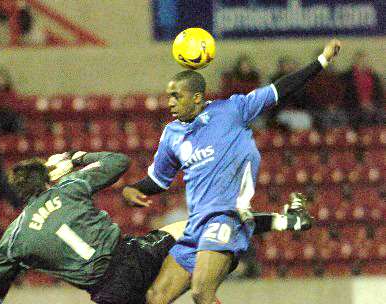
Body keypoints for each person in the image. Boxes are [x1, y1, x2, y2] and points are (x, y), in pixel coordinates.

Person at [123, 39, 341, 304]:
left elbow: (279, 89)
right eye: (169, 95)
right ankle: (285, 220)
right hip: (196, 226)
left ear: (197, 98)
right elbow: (158, 180)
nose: (169, 102)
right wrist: (133, 188)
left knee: (202, 292)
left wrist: (321, 61)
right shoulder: (172, 135)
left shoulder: (232, 110)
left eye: (176, 96)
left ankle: (282, 220)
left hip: (225, 218)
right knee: (155, 297)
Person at [0, 151, 311, 304]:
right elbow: (118, 161)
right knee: (203, 224)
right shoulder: (66, 188)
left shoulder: (12, 242)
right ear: (47, 179)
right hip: (134, 257)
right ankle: (285, 220)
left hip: (109, 295)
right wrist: (74, 159)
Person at [341, 50, 384, 129]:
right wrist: (361, 103)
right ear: (354, 61)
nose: (362, 63)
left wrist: (372, 104)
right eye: (359, 60)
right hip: (354, 105)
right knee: (363, 116)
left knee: (381, 115)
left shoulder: (374, 76)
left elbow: (379, 94)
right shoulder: (347, 76)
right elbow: (345, 95)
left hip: (373, 105)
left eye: (364, 60)